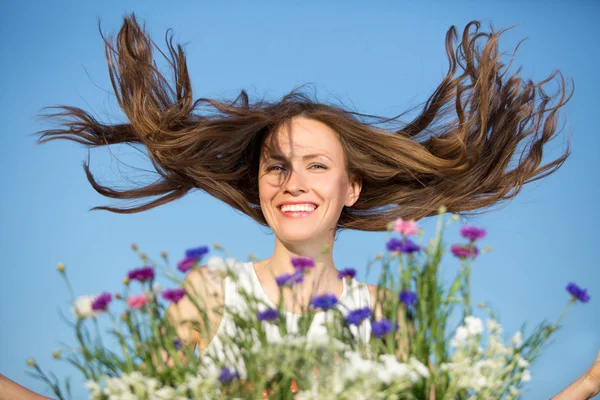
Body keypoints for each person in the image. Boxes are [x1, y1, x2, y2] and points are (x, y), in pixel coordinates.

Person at [2, 13, 598, 400]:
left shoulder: (388, 317)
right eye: (277, 166)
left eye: (317, 166)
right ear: (260, 187)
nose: (294, 182)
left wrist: (589, 382)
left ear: (351, 188)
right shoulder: (210, 296)